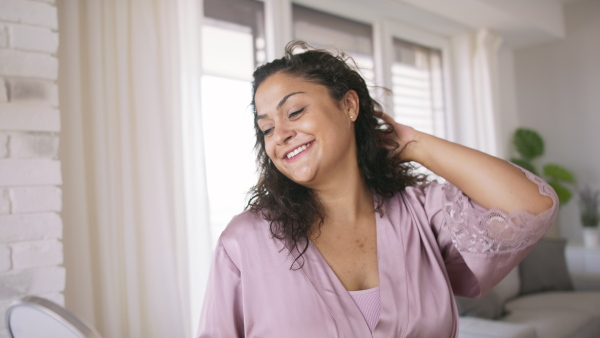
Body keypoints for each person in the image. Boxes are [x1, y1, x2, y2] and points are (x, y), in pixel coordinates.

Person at [197, 42, 558, 337]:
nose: (280, 135)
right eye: (266, 128)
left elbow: (532, 206)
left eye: (294, 112)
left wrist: (415, 143)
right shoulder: (243, 243)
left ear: (349, 105)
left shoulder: (421, 214)